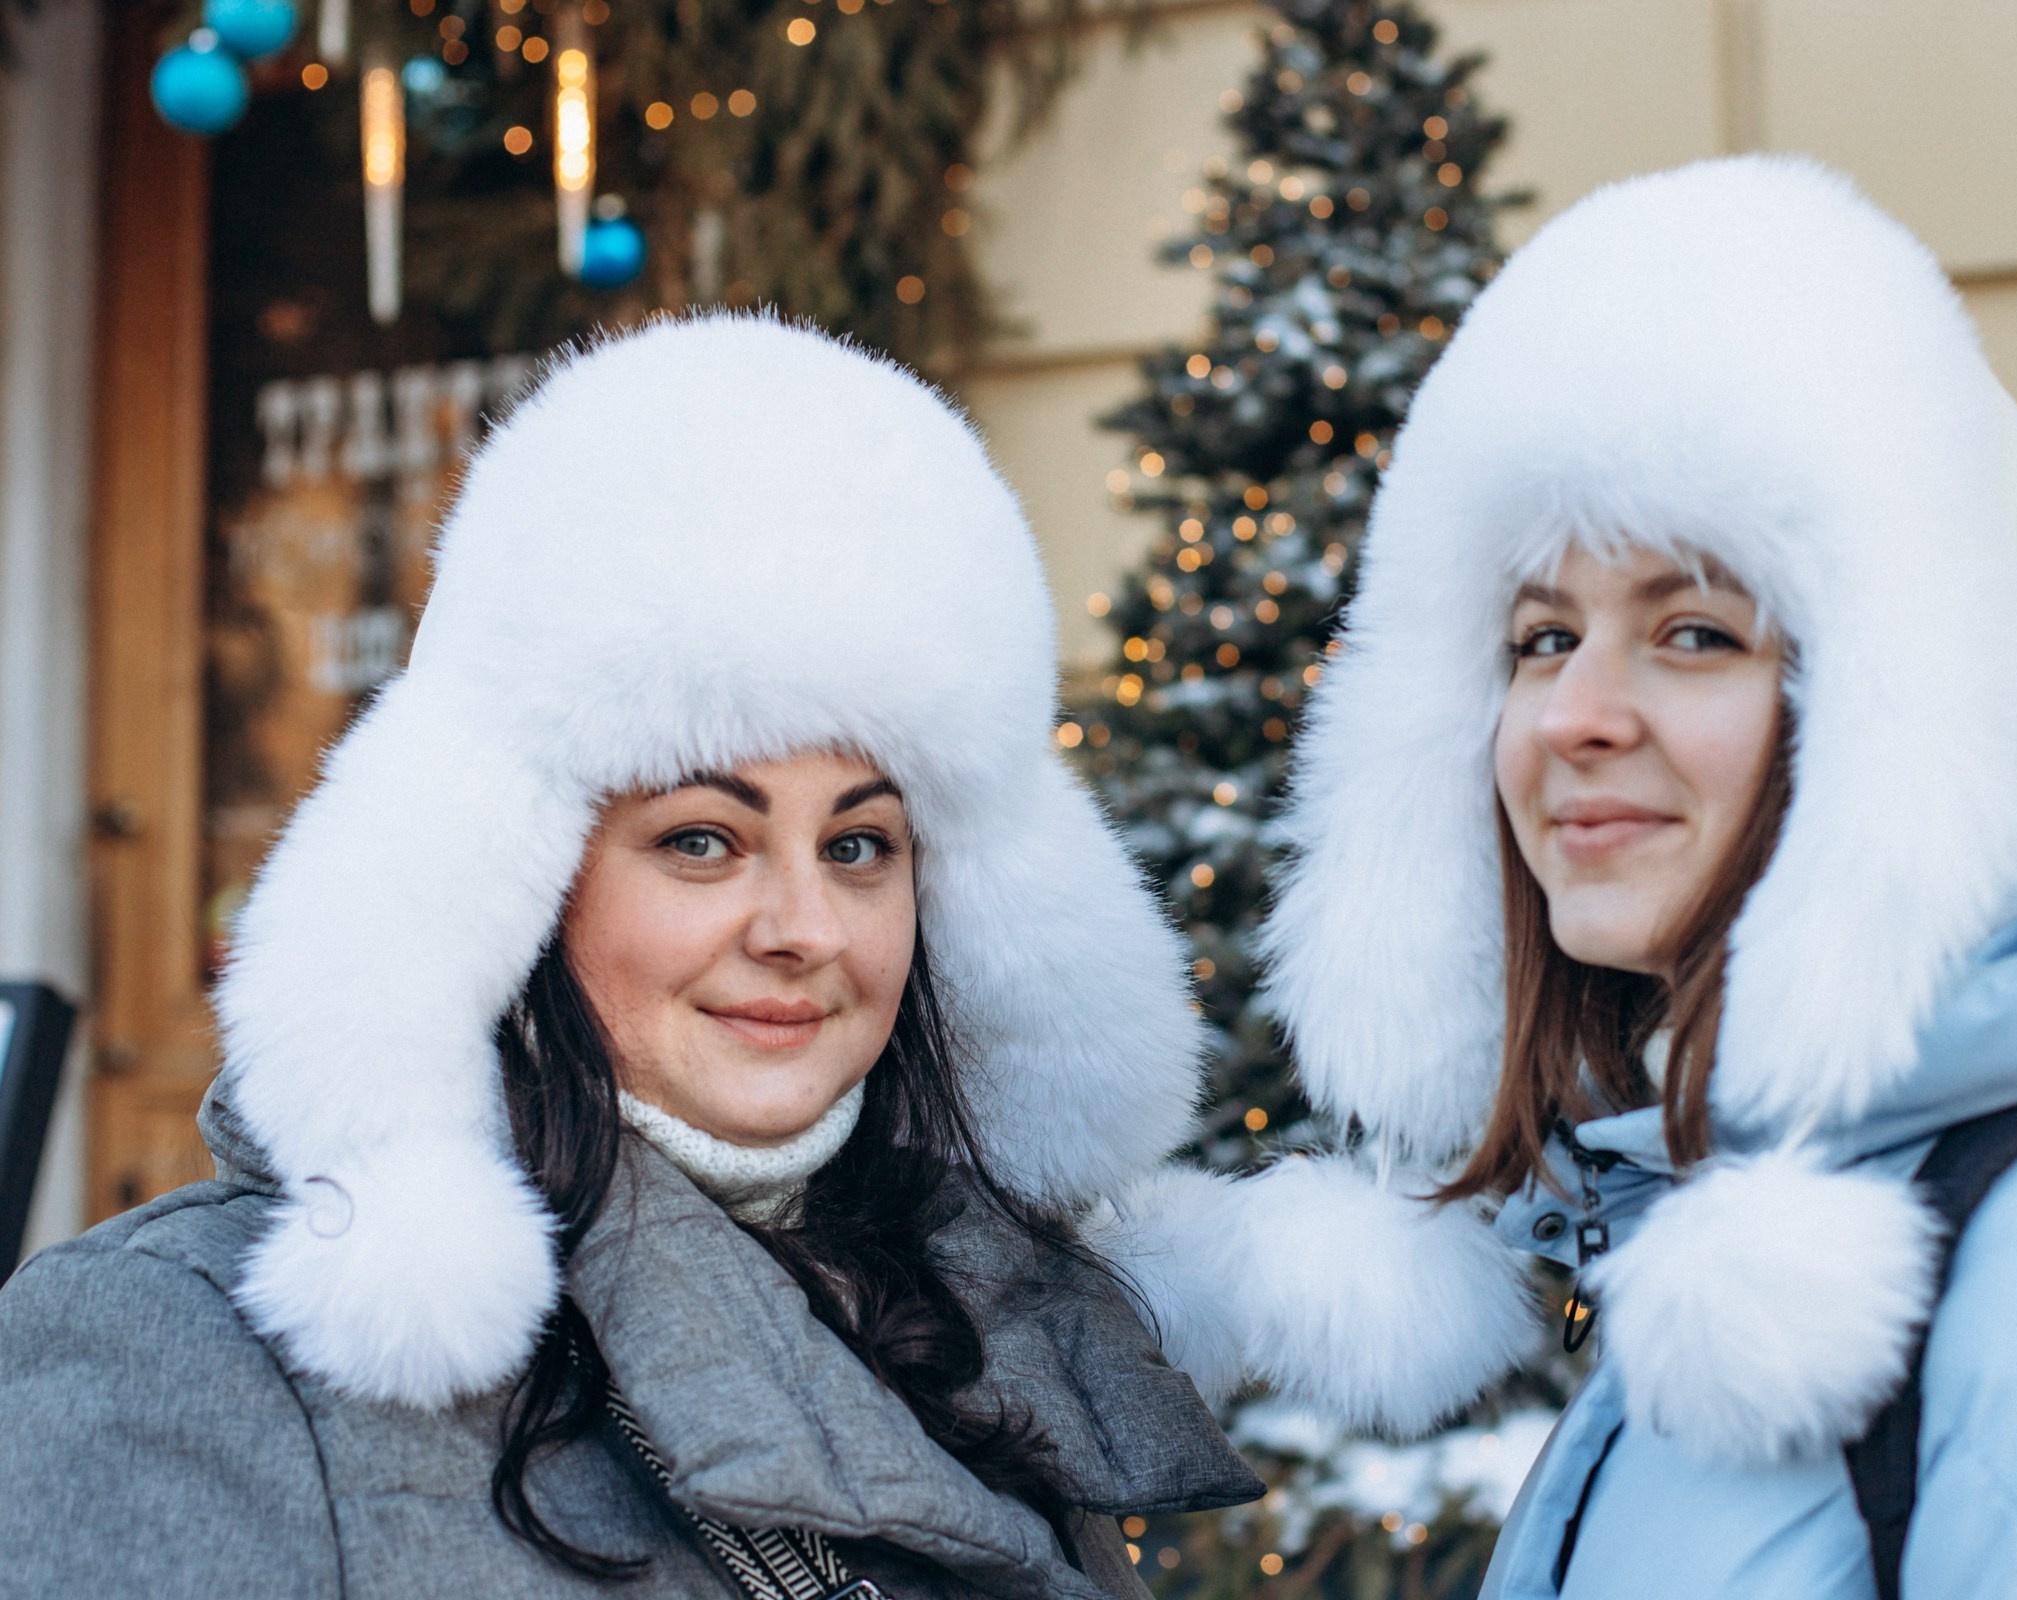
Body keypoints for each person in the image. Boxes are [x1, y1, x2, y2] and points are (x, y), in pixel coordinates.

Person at [1201, 156, 2017, 1595]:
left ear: (1891, 712)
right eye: (1541, 637)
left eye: (1695, 632)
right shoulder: (1731, 1200)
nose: (1575, 713)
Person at [0, 317, 1259, 1598]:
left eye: (860, 845)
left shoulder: (999, 1321)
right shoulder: (185, 1349)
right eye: (703, 839)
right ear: (519, 881)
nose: (805, 927)